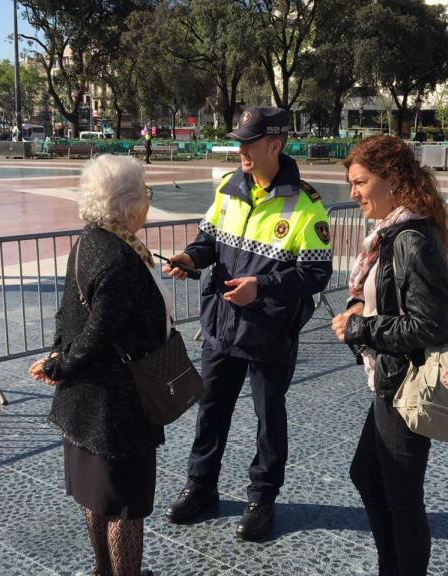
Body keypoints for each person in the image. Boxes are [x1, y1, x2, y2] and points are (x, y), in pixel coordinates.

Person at [162, 106, 333, 541]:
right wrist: (189, 258)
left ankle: (262, 498)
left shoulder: (306, 204)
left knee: (268, 418)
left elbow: (316, 274)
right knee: (211, 411)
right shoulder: (227, 187)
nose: (240, 149)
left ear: (275, 145)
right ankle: (200, 487)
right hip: (221, 325)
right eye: (238, 141)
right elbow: (208, 242)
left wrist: (263, 286)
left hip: (270, 333)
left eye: (248, 142)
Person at [29, 154, 164, 576]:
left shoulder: (90, 240)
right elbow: (96, 334)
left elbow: (70, 311)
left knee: (96, 497)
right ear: (129, 205)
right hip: (116, 407)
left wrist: (57, 358)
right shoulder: (121, 259)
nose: (146, 202)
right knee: (124, 507)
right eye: (145, 194)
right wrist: (59, 366)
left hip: (88, 402)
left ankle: (103, 571)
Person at [330, 135, 448, 576]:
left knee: (402, 499)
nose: (354, 193)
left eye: (360, 182)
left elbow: (432, 324)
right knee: (367, 475)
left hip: (406, 384)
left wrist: (362, 327)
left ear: (392, 179)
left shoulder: (411, 238)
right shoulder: (391, 234)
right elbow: (392, 301)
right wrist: (360, 309)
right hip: (390, 378)